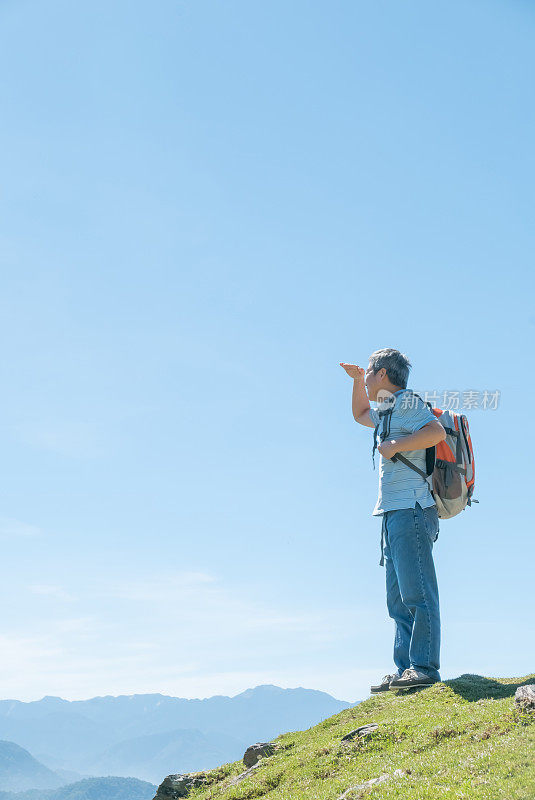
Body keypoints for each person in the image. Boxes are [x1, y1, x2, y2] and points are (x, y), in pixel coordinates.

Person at [340, 348, 447, 692]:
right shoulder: (387, 408)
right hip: (392, 511)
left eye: (369, 372)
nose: (367, 378)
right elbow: (359, 413)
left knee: (417, 592)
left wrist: (398, 444)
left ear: (383, 373)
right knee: (398, 597)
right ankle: (405, 671)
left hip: (412, 508)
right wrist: (357, 382)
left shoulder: (408, 402)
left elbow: (436, 432)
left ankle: (424, 668)